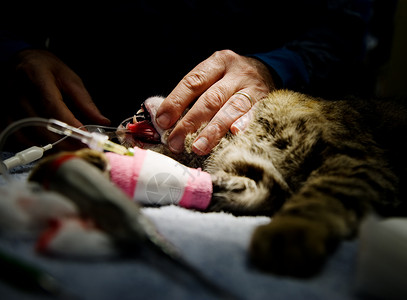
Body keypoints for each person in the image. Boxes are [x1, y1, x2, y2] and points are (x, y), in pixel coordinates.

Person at [0, 1, 372, 153]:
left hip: (239, 135)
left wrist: (273, 69)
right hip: (56, 124)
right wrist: (13, 52)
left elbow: (342, 34)